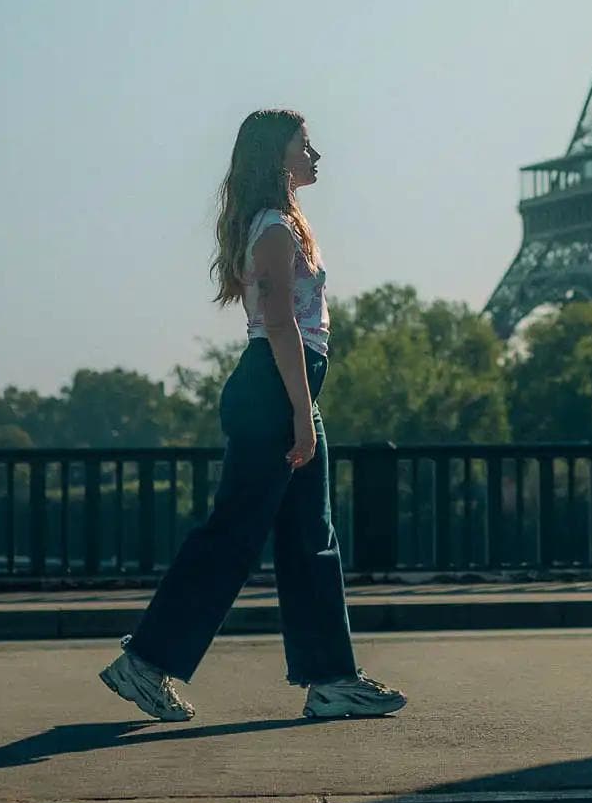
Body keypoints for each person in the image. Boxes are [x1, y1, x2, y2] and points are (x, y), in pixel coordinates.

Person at [99, 108, 406, 725]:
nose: (316, 156)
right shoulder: (273, 228)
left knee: (308, 539)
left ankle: (331, 680)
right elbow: (279, 324)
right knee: (235, 535)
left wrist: (302, 407)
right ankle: (147, 659)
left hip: (287, 391)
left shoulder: (284, 224)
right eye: (305, 145)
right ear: (278, 159)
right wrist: (300, 412)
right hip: (276, 390)